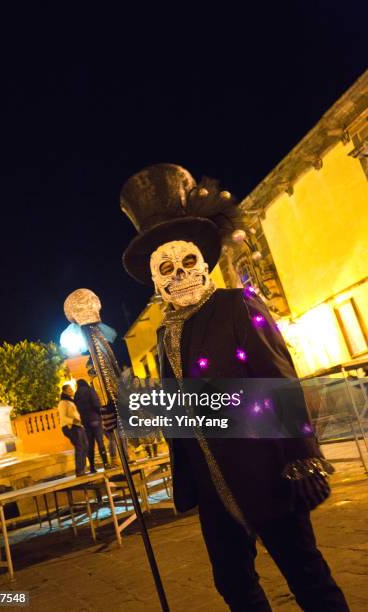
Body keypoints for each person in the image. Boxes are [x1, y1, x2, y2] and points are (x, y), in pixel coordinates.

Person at [119, 164, 348, 611]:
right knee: (233, 585)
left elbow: (277, 378)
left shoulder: (236, 306)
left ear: (203, 263)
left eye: (187, 262)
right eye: (167, 267)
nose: (180, 273)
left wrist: (303, 458)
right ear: (155, 278)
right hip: (213, 488)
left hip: (267, 471)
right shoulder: (166, 338)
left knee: (307, 577)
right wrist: (124, 412)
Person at [74, 379, 109, 471]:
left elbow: (76, 408)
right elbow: (95, 403)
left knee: (90, 444)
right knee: (100, 442)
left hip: (85, 421)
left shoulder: (76, 394)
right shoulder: (90, 390)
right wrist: (100, 413)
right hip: (95, 419)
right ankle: (105, 464)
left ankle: (92, 467)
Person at [58, 384, 88, 476]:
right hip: (70, 427)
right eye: (69, 389)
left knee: (86, 445)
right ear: (64, 391)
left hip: (78, 426)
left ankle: (83, 468)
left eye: (72, 389)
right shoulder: (63, 403)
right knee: (79, 446)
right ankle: (79, 471)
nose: (72, 390)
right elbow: (63, 417)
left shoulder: (71, 401)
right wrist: (73, 420)